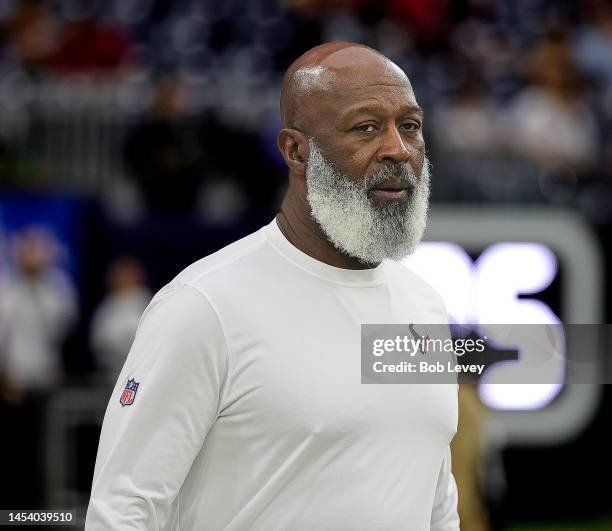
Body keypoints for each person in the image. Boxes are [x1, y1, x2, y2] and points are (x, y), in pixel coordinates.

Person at [86, 42, 459, 530]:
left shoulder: (424, 305)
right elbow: (121, 512)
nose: (398, 149)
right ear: (296, 151)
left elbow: (435, 506)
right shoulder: (205, 306)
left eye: (409, 125)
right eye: (366, 127)